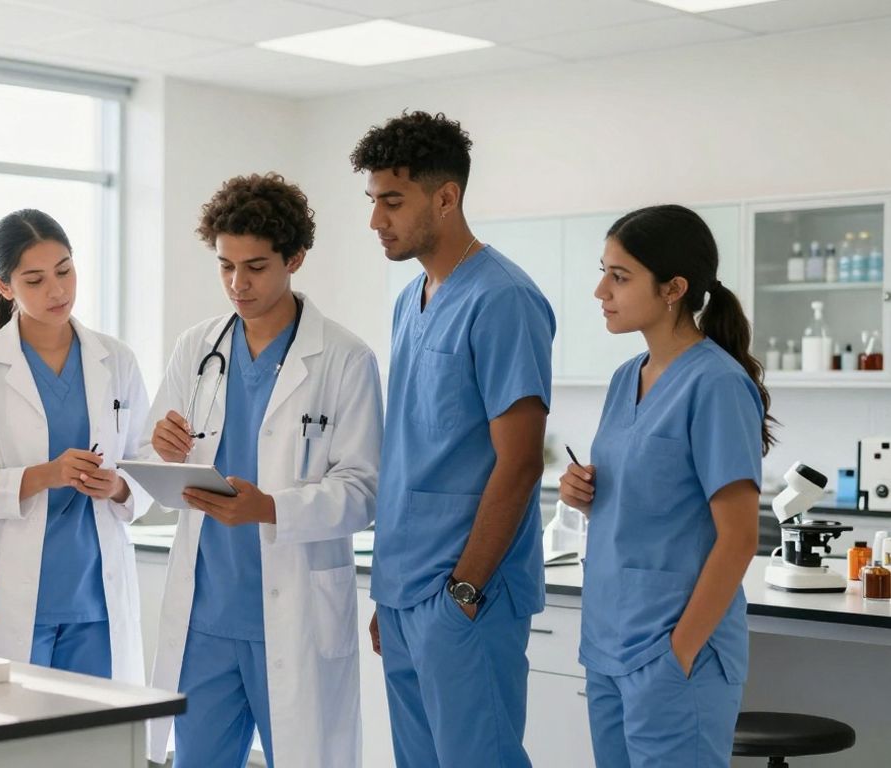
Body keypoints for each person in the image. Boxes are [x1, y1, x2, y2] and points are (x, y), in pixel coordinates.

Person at [144, 173, 383, 768]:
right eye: (225, 266)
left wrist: (271, 508)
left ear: (294, 258)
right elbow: (155, 464)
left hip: (294, 609)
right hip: (206, 614)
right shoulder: (197, 347)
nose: (237, 284)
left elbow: (364, 490)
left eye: (255, 267)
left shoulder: (345, 358)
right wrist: (163, 449)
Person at [353, 111, 554, 768]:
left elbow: (521, 463)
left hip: (468, 597)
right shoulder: (410, 298)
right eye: (373, 200)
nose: (377, 220)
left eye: (392, 201)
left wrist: (462, 592)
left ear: (445, 197)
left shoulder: (502, 299)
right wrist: (393, 593)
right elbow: (415, 451)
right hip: (407, 592)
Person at [559, 204, 770, 767]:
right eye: (603, 270)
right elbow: (642, 492)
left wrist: (679, 653)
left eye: (620, 276)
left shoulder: (717, 384)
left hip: (673, 652)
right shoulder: (627, 377)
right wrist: (581, 490)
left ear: (674, 288)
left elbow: (739, 538)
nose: (601, 289)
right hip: (608, 643)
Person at [0, 209, 150, 683]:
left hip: (96, 595)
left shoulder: (115, 359)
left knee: (96, 747)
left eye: (64, 270)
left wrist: (118, 486)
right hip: (16, 595)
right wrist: (45, 475)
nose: (57, 291)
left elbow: (146, 459)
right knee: (18, 747)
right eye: (35, 280)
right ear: (5, 286)